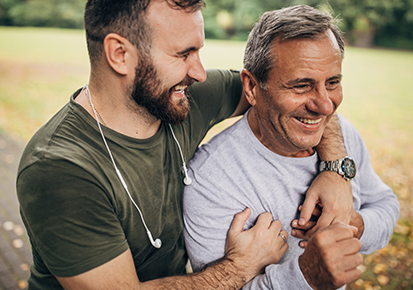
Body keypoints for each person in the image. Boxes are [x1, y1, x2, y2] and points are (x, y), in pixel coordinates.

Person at [17, 1, 354, 289]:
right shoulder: (59, 170)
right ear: (120, 54)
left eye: (199, 51)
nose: (200, 72)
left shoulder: (182, 96)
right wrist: (239, 266)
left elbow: (292, 95)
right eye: (184, 54)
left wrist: (336, 169)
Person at [183, 5, 400, 290]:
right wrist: (306, 274)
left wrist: (355, 225)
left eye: (332, 82)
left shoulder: (340, 132)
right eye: (301, 86)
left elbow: (387, 205)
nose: (324, 105)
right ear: (251, 88)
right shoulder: (211, 180)